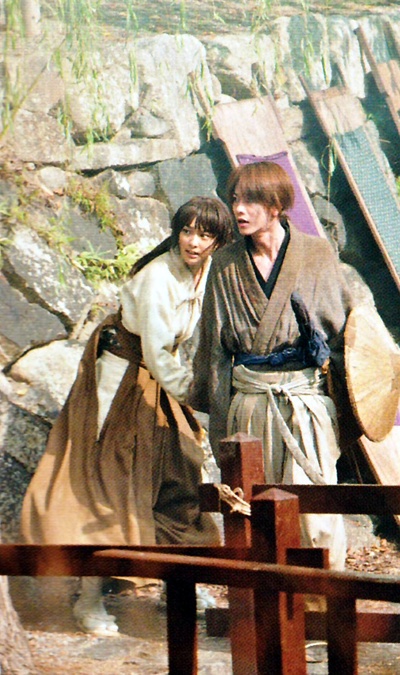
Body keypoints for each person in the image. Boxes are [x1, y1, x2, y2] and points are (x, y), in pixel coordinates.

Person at [20, 196, 234, 634]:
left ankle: (180, 582)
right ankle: (89, 599)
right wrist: (199, 396)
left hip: (156, 378)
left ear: (218, 241)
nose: (194, 242)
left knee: (180, 473)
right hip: (119, 378)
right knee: (110, 480)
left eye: (205, 234)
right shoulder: (158, 277)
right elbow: (156, 350)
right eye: (187, 231)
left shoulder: (206, 270)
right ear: (176, 232)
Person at [189, 161, 354, 572]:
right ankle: (265, 606)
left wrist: (343, 408)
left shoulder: (316, 254)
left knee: (316, 517)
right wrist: (221, 424)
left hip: (303, 402)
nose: (238, 209)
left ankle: (322, 600)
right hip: (249, 403)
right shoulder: (225, 263)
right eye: (235, 200)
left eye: (250, 201)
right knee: (254, 513)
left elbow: (347, 336)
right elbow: (214, 350)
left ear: (276, 206)